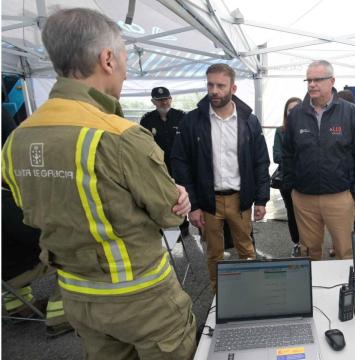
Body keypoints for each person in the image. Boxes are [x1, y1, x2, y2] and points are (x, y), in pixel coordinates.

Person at [0, 8, 196, 359]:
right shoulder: (120, 136)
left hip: (78, 296)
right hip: (143, 299)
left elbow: (28, 212)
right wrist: (177, 194)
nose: (125, 68)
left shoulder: (17, 139)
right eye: (123, 58)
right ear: (107, 59)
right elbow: (169, 215)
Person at [171, 63, 270, 292]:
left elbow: (261, 162)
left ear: (233, 88)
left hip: (240, 199)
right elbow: (180, 163)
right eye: (210, 85)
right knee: (214, 254)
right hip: (208, 201)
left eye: (220, 86)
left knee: (246, 250)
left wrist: (262, 199)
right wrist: (192, 206)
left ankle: (251, 293)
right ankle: (219, 298)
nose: (214, 90)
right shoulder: (192, 121)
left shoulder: (248, 121)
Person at [282, 60, 355, 260]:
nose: (312, 84)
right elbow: (287, 154)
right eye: (309, 80)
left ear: (332, 81)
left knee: (345, 251)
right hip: (304, 198)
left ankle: (347, 291)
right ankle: (314, 290)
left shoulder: (350, 112)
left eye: (318, 80)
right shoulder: (297, 114)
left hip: (339, 196)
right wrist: (292, 187)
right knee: (309, 252)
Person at [1, 111, 72, 337]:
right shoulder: (7, 200)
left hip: (6, 269)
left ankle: (17, 305)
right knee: (71, 249)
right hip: (13, 270)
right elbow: (40, 237)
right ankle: (60, 316)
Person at [140, 86, 191, 239]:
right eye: (160, 100)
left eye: (167, 99)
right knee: (162, 197)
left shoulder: (181, 116)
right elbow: (143, 143)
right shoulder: (147, 120)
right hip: (159, 166)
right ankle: (167, 229)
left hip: (180, 165)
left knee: (181, 196)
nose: (164, 102)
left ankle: (183, 228)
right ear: (153, 102)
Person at [273, 97, 302, 254]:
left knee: (308, 215)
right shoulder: (280, 131)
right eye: (290, 110)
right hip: (287, 181)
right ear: (286, 112)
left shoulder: (310, 129)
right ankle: (297, 243)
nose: (293, 113)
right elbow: (277, 156)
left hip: (306, 181)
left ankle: (308, 244)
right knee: (292, 213)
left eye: (297, 109)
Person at [337, 89, 355, 233]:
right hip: (342, 182)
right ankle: (341, 246)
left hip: (350, 181)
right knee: (342, 218)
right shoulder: (335, 123)